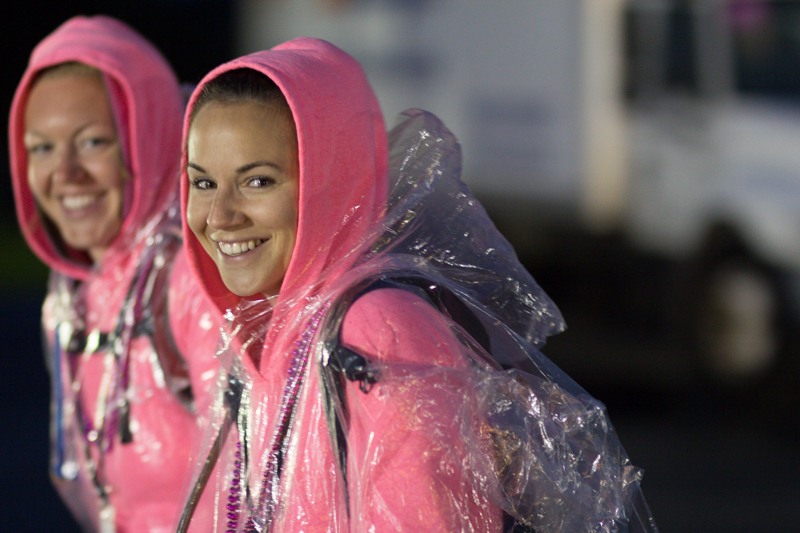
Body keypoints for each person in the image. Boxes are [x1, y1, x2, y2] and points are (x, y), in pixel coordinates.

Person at [179, 38, 657, 533]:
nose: (220, 216)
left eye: (257, 181)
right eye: (203, 182)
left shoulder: (377, 330)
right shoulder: (265, 337)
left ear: (330, 178)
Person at [8, 15, 220, 532]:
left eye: (93, 142)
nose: (65, 174)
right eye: (41, 148)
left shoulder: (195, 280)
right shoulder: (80, 293)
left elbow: (254, 487)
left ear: (150, 133)